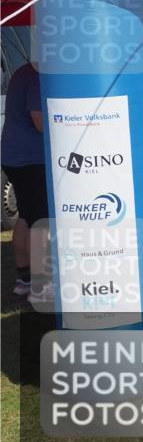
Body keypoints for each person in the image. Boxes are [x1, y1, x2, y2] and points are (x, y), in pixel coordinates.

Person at [1, 62, 48, 299]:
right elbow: (40, 122)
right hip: (30, 159)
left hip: (16, 156)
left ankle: (24, 280)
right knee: (39, 221)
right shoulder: (37, 76)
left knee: (26, 216)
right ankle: (41, 284)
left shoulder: (23, 72)